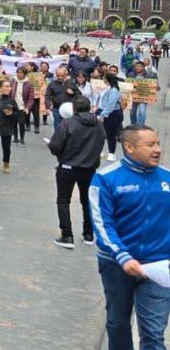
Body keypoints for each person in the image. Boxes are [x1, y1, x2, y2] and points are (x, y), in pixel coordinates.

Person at [89, 125, 170, 350]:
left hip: (157, 270)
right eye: (150, 144)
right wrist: (123, 257)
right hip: (116, 266)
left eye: (158, 143)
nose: (157, 149)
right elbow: (102, 224)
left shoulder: (167, 179)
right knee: (118, 320)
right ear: (129, 147)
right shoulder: (105, 179)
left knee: (153, 333)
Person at [47, 95, 105, 249]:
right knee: (87, 200)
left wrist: (56, 150)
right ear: (89, 107)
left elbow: (55, 146)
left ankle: (67, 235)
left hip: (68, 167)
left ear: (74, 108)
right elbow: (100, 143)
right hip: (89, 168)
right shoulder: (98, 125)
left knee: (63, 200)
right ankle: (88, 233)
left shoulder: (68, 123)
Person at [97, 74, 123, 162]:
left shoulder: (114, 90)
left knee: (110, 134)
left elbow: (111, 105)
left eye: (104, 78)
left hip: (112, 114)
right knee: (100, 133)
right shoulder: (107, 88)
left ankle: (111, 153)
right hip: (104, 112)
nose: (103, 79)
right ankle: (99, 151)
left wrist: (103, 115)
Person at [46, 65, 79, 131]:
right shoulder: (52, 84)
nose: (60, 77)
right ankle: (58, 139)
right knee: (58, 125)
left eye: (62, 76)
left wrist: (73, 93)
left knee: (68, 125)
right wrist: (49, 105)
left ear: (66, 75)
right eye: (58, 76)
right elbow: (47, 95)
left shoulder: (71, 83)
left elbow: (79, 95)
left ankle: (67, 140)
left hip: (68, 109)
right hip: (56, 108)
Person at [128, 59, 158, 126]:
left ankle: (140, 127)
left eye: (140, 66)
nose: (138, 67)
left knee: (142, 112)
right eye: (137, 66)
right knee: (132, 113)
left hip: (144, 97)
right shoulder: (130, 74)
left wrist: (157, 88)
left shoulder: (150, 75)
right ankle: (133, 125)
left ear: (144, 67)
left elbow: (156, 86)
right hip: (133, 98)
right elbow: (127, 85)